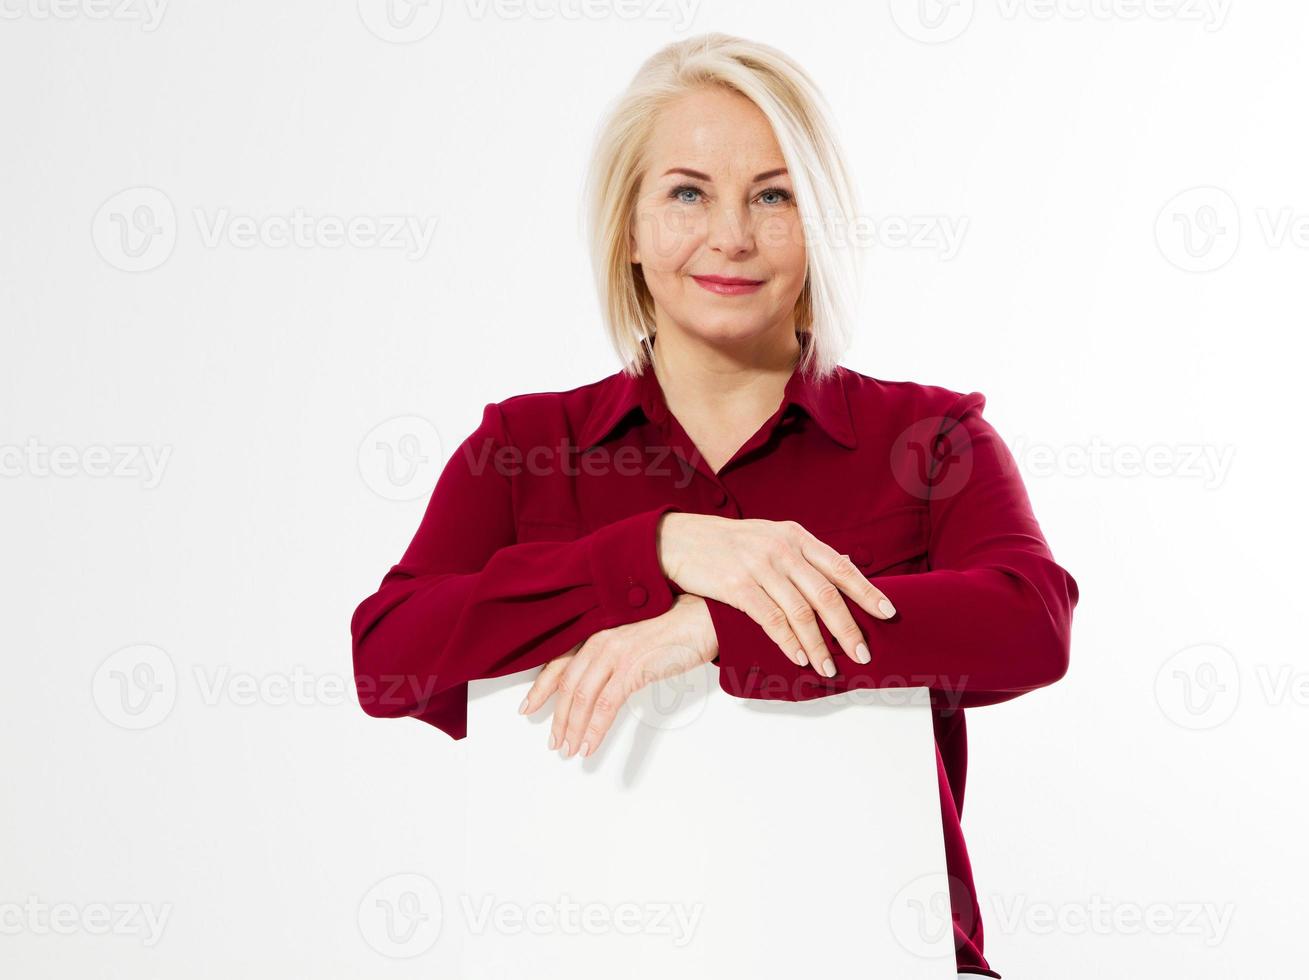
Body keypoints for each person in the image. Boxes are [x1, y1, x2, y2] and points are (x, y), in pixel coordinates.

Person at [349, 33, 1079, 979]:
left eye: (773, 195)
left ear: (816, 223)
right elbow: (388, 658)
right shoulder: (525, 449)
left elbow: (1032, 621)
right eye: (688, 193)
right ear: (630, 228)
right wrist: (655, 549)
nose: (731, 235)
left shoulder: (933, 442)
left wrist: (714, 626)